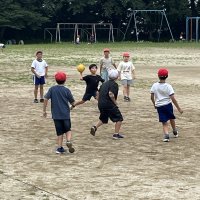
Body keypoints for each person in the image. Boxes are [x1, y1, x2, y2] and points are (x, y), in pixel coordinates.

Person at [43, 72, 76, 154]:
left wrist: (44, 110)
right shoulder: (66, 90)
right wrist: (72, 106)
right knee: (68, 129)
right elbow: (73, 102)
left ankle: (59, 148)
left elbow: (46, 98)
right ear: (65, 80)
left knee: (59, 132)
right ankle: (68, 140)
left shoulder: (52, 89)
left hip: (56, 115)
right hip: (65, 114)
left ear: (56, 80)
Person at [150, 68, 183, 142]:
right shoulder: (168, 86)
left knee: (164, 121)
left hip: (159, 106)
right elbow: (173, 98)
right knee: (171, 117)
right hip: (168, 105)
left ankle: (166, 135)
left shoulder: (154, 85)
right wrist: (178, 108)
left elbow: (152, 97)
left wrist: (154, 104)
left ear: (158, 76)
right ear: (167, 76)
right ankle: (174, 130)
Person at [90, 69, 124, 139]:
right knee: (119, 118)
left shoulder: (104, 84)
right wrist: (115, 103)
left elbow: (97, 93)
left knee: (103, 118)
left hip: (101, 104)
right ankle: (116, 134)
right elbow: (111, 94)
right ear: (117, 77)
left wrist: (100, 101)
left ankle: (95, 127)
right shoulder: (114, 84)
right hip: (109, 104)